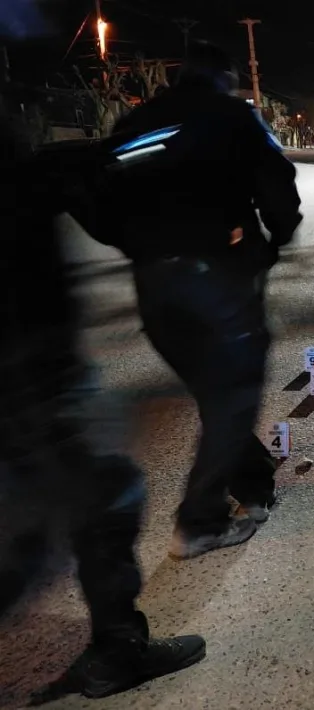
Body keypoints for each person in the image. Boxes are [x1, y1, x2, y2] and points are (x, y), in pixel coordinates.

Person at [0, 96, 205, 702]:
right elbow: (107, 215)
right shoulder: (15, 158)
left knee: (36, 522)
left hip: (30, 366)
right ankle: (117, 652)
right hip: (33, 367)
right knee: (104, 497)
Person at [72, 41, 302, 560]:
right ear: (226, 77)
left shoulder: (136, 120)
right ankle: (199, 523)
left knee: (217, 393)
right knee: (234, 393)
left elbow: (94, 195)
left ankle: (254, 482)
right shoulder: (234, 116)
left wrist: (143, 249)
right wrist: (276, 239)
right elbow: (277, 183)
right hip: (218, 278)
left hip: (155, 288)